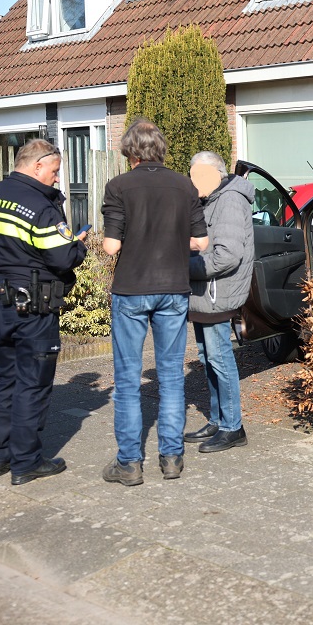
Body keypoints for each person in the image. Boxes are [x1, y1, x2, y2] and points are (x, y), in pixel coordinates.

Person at [0, 139, 88, 485]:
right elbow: (62, 258)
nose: (57, 178)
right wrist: (77, 245)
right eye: (55, 170)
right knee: (32, 385)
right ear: (37, 166)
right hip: (33, 309)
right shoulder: (40, 206)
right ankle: (26, 462)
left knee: (5, 379)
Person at [101, 119, 208, 486]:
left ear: (131, 151)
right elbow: (201, 242)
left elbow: (111, 246)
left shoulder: (118, 186)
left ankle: (129, 464)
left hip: (131, 289)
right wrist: (173, 237)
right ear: (160, 149)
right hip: (173, 288)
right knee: (172, 376)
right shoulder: (185, 186)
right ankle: (172, 458)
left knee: (128, 379)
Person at [183, 151, 253, 452]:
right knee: (207, 358)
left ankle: (232, 427)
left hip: (217, 293)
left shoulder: (229, 200)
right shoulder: (210, 200)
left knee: (219, 359)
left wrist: (183, 267)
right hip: (204, 292)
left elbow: (227, 256)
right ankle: (217, 419)